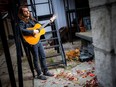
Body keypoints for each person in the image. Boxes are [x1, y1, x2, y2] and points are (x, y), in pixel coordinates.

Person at [18, 5, 54, 80]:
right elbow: (22, 31)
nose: (27, 12)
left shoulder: (32, 19)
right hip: (31, 42)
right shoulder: (21, 21)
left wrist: (49, 22)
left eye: (28, 10)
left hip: (38, 40)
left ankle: (45, 71)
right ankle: (39, 74)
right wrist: (33, 31)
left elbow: (40, 26)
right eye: (25, 11)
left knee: (43, 56)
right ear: (22, 13)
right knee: (36, 58)